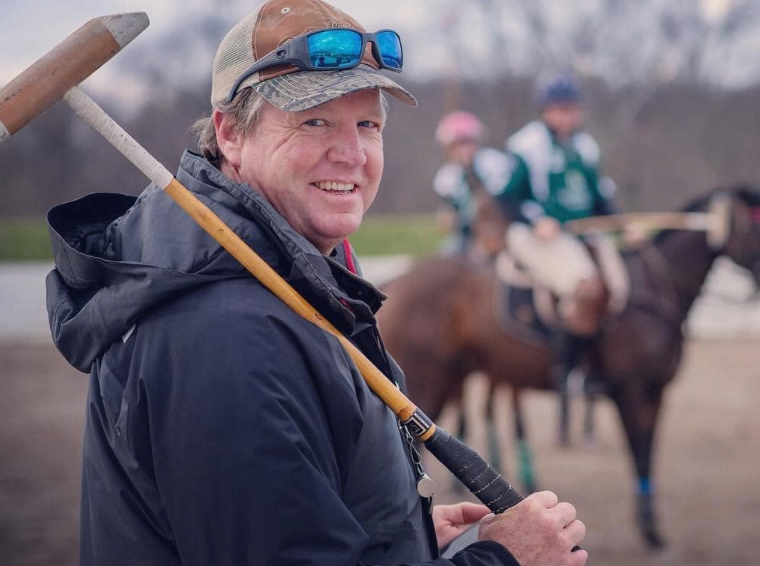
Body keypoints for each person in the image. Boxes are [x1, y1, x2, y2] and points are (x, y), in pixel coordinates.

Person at [43, 1, 587, 565]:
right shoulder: (227, 338)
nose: (352, 154)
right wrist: (502, 560)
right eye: (315, 121)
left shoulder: (281, 285)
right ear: (230, 133)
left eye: (367, 125)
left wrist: (404, 532)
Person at [496, 70, 623, 445]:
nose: (565, 116)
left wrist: (621, 224)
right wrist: (538, 220)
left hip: (582, 233)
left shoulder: (586, 147)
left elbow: (599, 197)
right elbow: (507, 199)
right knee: (585, 287)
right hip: (537, 236)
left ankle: (598, 364)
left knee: (618, 285)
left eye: (571, 109)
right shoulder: (526, 145)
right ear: (545, 111)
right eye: (558, 109)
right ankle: (569, 372)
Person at [432, 110, 515, 257]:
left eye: (467, 142)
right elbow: (451, 214)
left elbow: (503, 202)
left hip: (503, 229)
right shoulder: (446, 177)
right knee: (446, 255)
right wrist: (449, 217)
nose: (464, 149)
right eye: (457, 145)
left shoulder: (495, 163)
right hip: (468, 236)